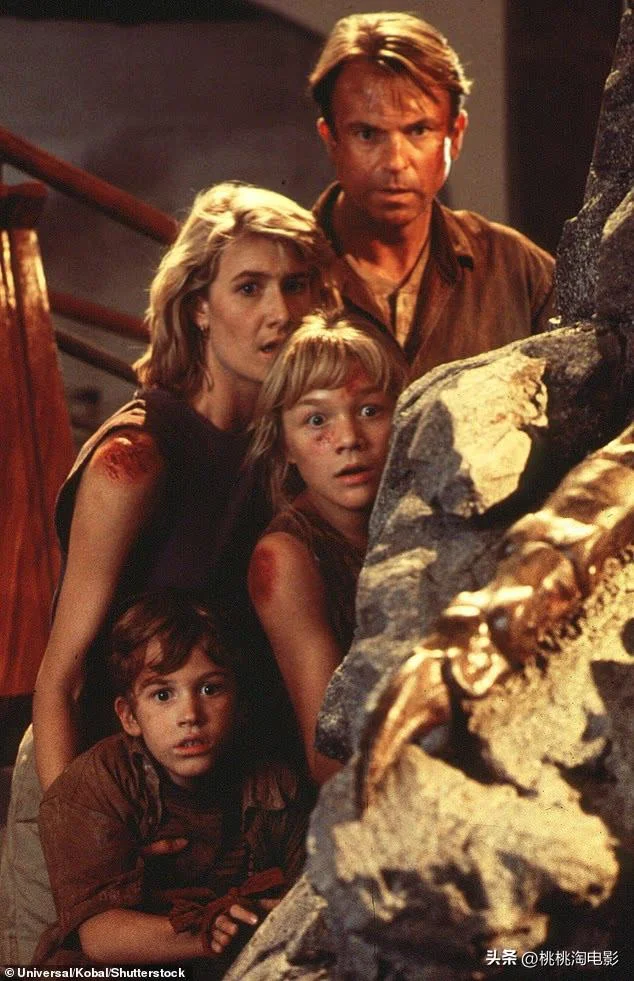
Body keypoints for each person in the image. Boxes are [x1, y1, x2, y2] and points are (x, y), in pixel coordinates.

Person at [0, 180, 333, 965]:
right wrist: (88, 839)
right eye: (249, 288)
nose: (280, 312)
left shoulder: (285, 443)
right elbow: (61, 678)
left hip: (207, 785)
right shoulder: (136, 459)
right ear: (198, 308)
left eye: (295, 286)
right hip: (87, 780)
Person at [34, 592, 310, 969]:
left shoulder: (275, 785)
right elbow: (99, 937)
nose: (190, 715)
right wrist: (209, 934)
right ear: (130, 716)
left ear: (239, 704)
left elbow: (311, 903)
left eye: (210, 688)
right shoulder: (97, 783)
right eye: (163, 695)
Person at [308, 11, 556, 378]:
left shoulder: (515, 270)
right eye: (367, 134)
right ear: (331, 139)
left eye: (418, 131)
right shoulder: (285, 272)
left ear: (455, 135)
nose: (395, 162)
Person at [247, 312, 407, 784]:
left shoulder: (416, 516)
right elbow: (328, 760)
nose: (350, 440)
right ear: (285, 446)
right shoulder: (285, 558)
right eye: (317, 420)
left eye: (370, 411)